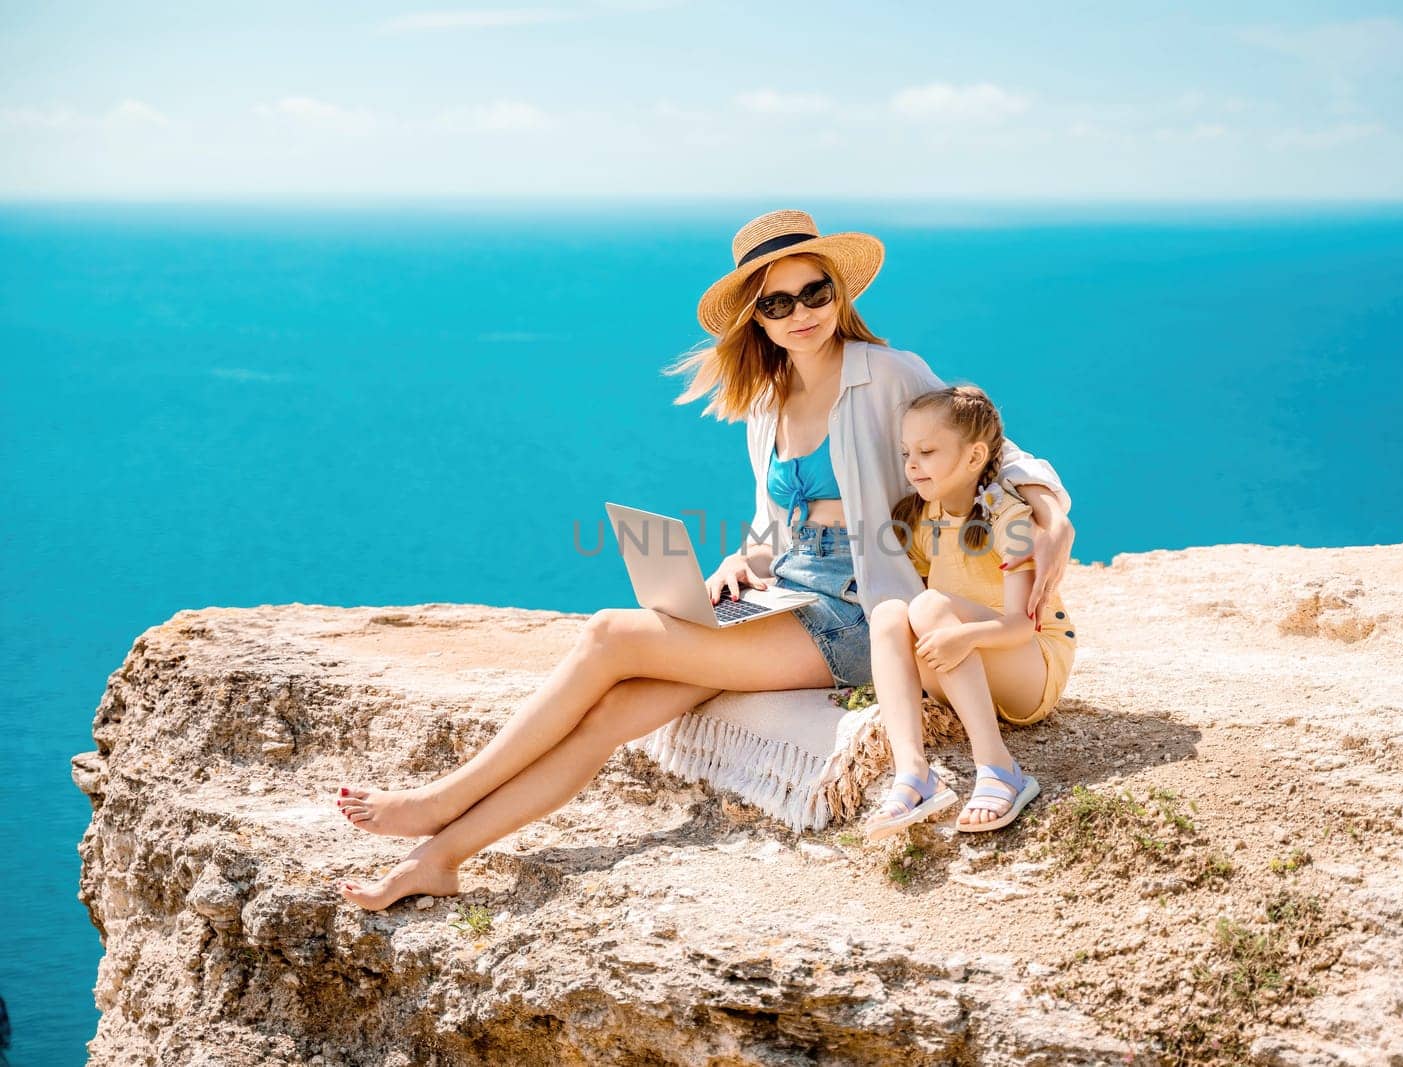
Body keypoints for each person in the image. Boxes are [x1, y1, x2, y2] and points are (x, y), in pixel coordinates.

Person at [332, 210, 1074, 910]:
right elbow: (772, 524)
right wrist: (740, 561)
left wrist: (1048, 509)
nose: (800, 312)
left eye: (814, 291)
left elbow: (993, 445)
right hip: (786, 590)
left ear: (838, 292)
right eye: (777, 303)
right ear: (758, 317)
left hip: (855, 605)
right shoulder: (768, 399)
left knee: (608, 636)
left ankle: (438, 800)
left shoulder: (886, 371)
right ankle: (441, 857)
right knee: (611, 715)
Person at [860, 386, 1077, 840]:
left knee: (930, 604)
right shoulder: (923, 519)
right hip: (962, 667)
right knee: (888, 614)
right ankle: (914, 774)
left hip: (1026, 665)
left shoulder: (1009, 518)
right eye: (906, 453)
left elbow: (1022, 626)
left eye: (927, 451)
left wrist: (966, 636)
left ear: (975, 454)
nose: (911, 465)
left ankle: (1000, 768)